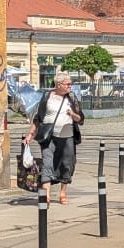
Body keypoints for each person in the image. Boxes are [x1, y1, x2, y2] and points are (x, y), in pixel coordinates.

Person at [31, 72, 83, 203]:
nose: (70, 86)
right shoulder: (47, 96)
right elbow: (38, 117)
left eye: (71, 84)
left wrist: (72, 115)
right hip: (48, 136)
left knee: (66, 164)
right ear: (59, 84)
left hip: (67, 137)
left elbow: (81, 119)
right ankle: (46, 194)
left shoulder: (71, 97)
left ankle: (63, 193)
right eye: (68, 84)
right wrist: (30, 134)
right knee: (47, 162)